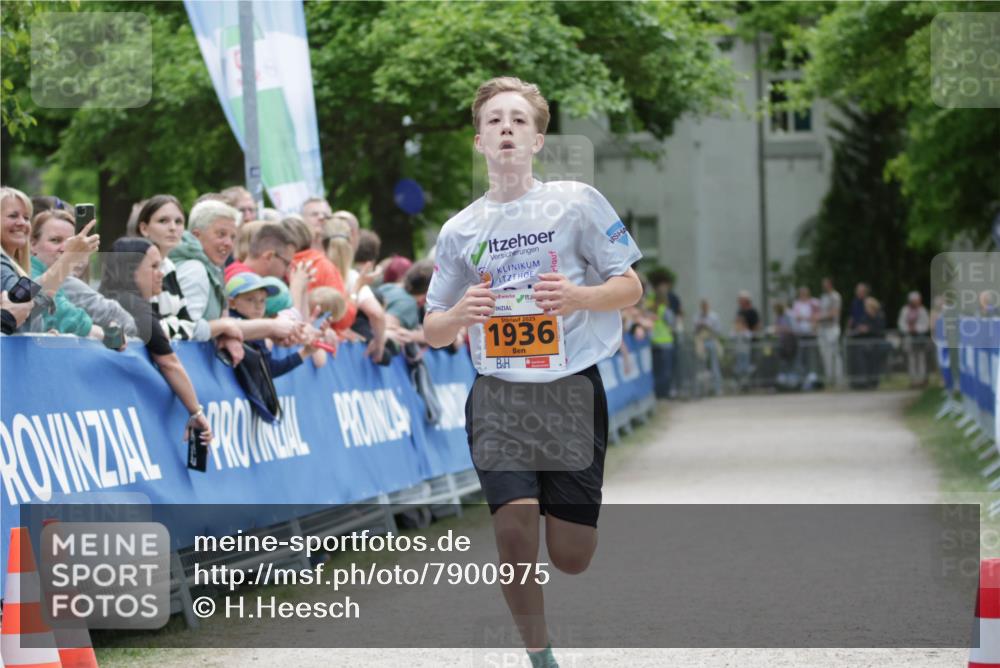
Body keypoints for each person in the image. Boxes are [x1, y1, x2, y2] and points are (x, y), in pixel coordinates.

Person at [423, 77, 643, 668]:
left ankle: (561, 505)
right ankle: (540, 655)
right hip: (498, 395)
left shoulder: (577, 202)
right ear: (479, 141)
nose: (507, 128)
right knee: (514, 531)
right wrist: (459, 315)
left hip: (571, 393)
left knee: (571, 555)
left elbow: (630, 287)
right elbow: (432, 327)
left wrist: (577, 297)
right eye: (494, 120)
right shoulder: (459, 230)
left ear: (538, 140)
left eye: (519, 120)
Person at [99, 237, 212, 444]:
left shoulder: (110, 298)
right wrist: (196, 412)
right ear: (131, 270)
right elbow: (168, 363)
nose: (161, 274)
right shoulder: (134, 306)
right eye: (154, 267)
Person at [1, 186, 100, 333]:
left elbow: (26, 311)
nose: (22, 222)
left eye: (26, 217)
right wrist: (70, 258)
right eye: (13, 216)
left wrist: (42, 334)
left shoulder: (17, 268)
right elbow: (22, 304)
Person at [31, 209, 134, 337]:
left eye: (72, 243)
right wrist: (109, 336)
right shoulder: (30, 274)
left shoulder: (62, 279)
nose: (66, 249)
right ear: (32, 243)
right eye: (55, 240)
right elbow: (67, 317)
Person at [226, 272, 318, 376]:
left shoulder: (259, 331)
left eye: (262, 300)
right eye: (250, 299)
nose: (258, 306)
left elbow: (268, 370)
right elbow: (230, 326)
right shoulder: (230, 322)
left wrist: (305, 352)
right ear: (232, 303)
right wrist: (272, 329)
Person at [647, 268, 677, 399]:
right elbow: (672, 324)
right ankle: (663, 395)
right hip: (665, 344)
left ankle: (657, 394)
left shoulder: (649, 307)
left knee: (656, 371)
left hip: (653, 343)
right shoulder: (664, 309)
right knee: (665, 372)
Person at [815, 277, 844, 389]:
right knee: (825, 355)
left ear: (830, 284)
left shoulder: (835, 296)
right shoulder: (823, 297)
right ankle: (830, 379)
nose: (824, 286)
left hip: (832, 328)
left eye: (826, 284)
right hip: (823, 329)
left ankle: (838, 379)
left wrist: (818, 317)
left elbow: (834, 313)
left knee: (834, 354)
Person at [897, 290, 930, 387]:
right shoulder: (905, 310)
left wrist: (917, 329)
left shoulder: (922, 310)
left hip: (920, 338)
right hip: (909, 337)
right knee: (911, 359)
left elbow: (926, 324)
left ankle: (922, 379)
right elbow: (901, 323)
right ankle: (913, 380)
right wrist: (909, 329)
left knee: (921, 358)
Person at [693, 298, 723, 396]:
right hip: (701, 342)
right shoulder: (697, 317)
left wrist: (709, 327)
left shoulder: (714, 316)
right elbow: (694, 331)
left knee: (715, 366)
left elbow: (718, 330)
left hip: (711, 340)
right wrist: (700, 326)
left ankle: (717, 389)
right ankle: (701, 390)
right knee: (701, 367)